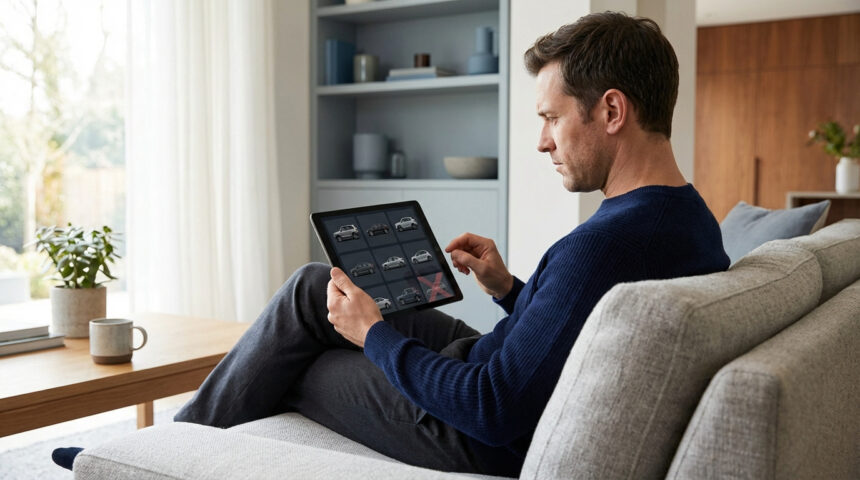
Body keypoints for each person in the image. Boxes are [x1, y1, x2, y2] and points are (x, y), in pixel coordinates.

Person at [52, 11, 729, 477]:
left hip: (469, 428)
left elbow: (494, 409)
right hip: (488, 369)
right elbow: (583, 331)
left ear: (612, 111)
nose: (542, 140)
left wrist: (374, 335)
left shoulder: (602, 244)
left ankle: (149, 459)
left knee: (303, 360)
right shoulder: (687, 219)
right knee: (314, 288)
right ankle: (169, 443)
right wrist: (506, 288)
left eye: (551, 118)